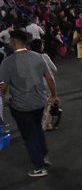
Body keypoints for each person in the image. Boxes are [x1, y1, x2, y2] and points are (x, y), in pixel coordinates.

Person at [0, 30, 58, 177]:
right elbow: (50, 79)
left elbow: (3, 86)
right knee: (37, 129)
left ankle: (38, 167)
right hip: (39, 102)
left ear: (13, 43)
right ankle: (43, 157)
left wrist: (2, 98)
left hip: (21, 105)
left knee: (29, 135)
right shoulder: (39, 57)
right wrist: (55, 96)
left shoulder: (7, 62)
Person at [29, 39, 58, 131]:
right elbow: (55, 69)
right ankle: (46, 124)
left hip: (35, 82)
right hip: (47, 81)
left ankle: (41, 122)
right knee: (50, 101)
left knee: (40, 102)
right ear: (40, 47)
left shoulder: (29, 57)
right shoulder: (44, 56)